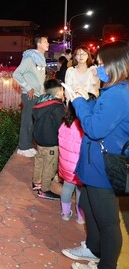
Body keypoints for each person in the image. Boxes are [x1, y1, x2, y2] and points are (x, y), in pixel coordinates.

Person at [62, 41, 129, 269]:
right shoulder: (111, 91)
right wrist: (86, 100)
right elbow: (97, 117)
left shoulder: (119, 94)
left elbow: (95, 129)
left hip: (104, 165)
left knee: (108, 223)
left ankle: (105, 264)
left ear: (116, 65)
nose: (98, 68)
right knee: (89, 208)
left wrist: (78, 101)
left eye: (101, 64)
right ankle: (93, 249)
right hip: (93, 161)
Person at [13, 35, 49, 157]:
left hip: (38, 95)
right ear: (38, 44)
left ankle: (28, 145)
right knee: (27, 121)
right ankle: (22, 147)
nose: (48, 43)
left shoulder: (40, 59)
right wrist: (27, 88)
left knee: (32, 121)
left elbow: (39, 78)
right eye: (45, 42)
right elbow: (16, 74)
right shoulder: (30, 59)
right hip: (29, 95)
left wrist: (43, 90)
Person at [31, 78, 65, 200]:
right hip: (51, 142)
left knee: (39, 161)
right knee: (49, 166)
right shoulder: (57, 107)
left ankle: (36, 182)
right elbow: (60, 126)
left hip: (39, 140)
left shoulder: (39, 103)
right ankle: (44, 189)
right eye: (62, 91)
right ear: (58, 93)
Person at [58, 102, 85, 224]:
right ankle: (80, 217)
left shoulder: (64, 124)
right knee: (80, 191)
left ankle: (65, 214)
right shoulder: (84, 126)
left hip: (66, 164)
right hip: (79, 165)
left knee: (67, 188)